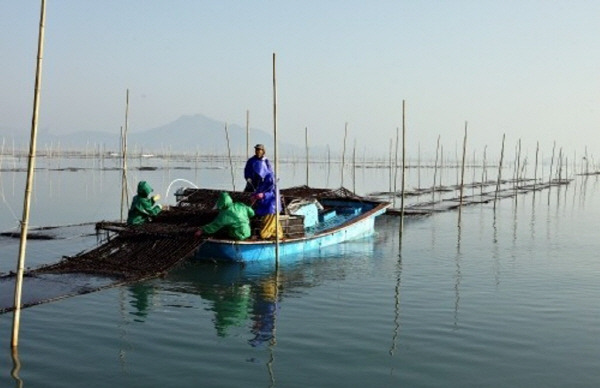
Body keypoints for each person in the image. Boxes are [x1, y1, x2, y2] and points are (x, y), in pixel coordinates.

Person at [251, 172, 283, 239]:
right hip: (265, 208)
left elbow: (274, 195)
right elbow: (258, 191)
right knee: (273, 225)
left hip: (272, 209)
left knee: (267, 226)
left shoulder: (274, 185)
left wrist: (264, 195)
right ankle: (277, 235)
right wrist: (254, 196)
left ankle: (264, 236)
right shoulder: (263, 184)